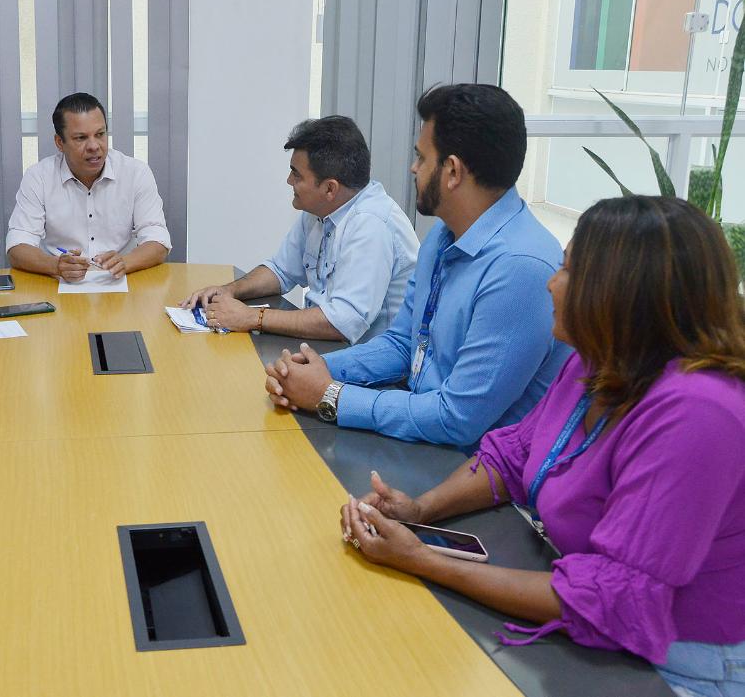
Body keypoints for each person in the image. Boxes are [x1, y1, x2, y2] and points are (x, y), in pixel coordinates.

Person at [339, 196, 745, 695]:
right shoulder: (597, 360)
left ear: (622, 295)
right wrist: (420, 509)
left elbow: (611, 597)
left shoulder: (697, 412)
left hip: (681, 665)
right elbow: (512, 455)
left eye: (569, 271)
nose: (551, 283)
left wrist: (420, 559)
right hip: (594, 619)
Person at [266, 84, 569, 450]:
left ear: (453, 171)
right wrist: (315, 370)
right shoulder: (445, 236)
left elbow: (456, 419)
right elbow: (404, 343)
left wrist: (330, 395)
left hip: (472, 473)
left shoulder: (520, 268)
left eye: (422, 158)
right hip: (423, 442)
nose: (413, 168)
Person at [179, 116, 418, 343]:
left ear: (329, 189)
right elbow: (281, 271)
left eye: (296, 175)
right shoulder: (320, 211)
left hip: (370, 371)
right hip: (327, 349)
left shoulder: (371, 224)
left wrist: (252, 317)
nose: (289, 181)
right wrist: (227, 291)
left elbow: (342, 323)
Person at [6, 92, 171, 281]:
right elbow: (17, 246)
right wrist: (56, 265)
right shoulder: (39, 177)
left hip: (120, 282)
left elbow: (159, 241)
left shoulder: (135, 172)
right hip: (58, 284)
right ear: (60, 143)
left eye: (100, 135)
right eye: (81, 138)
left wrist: (126, 262)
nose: (94, 146)